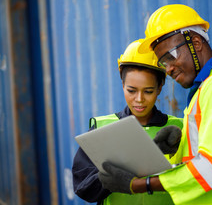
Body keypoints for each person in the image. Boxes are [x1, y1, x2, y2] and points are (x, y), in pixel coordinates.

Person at [98, 4, 212, 204]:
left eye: (171, 57)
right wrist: (174, 150)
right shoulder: (204, 90)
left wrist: (139, 185)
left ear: (196, 42)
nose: (168, 69)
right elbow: (203, 160)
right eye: (163, 62)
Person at [72, 39, 183, 205]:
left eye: (148, 91)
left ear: (160, 87)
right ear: (122, 84)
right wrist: (111, 177)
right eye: (131, 90)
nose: (139, 99)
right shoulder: (101, 129)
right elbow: (84, 189)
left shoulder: (180, 129)